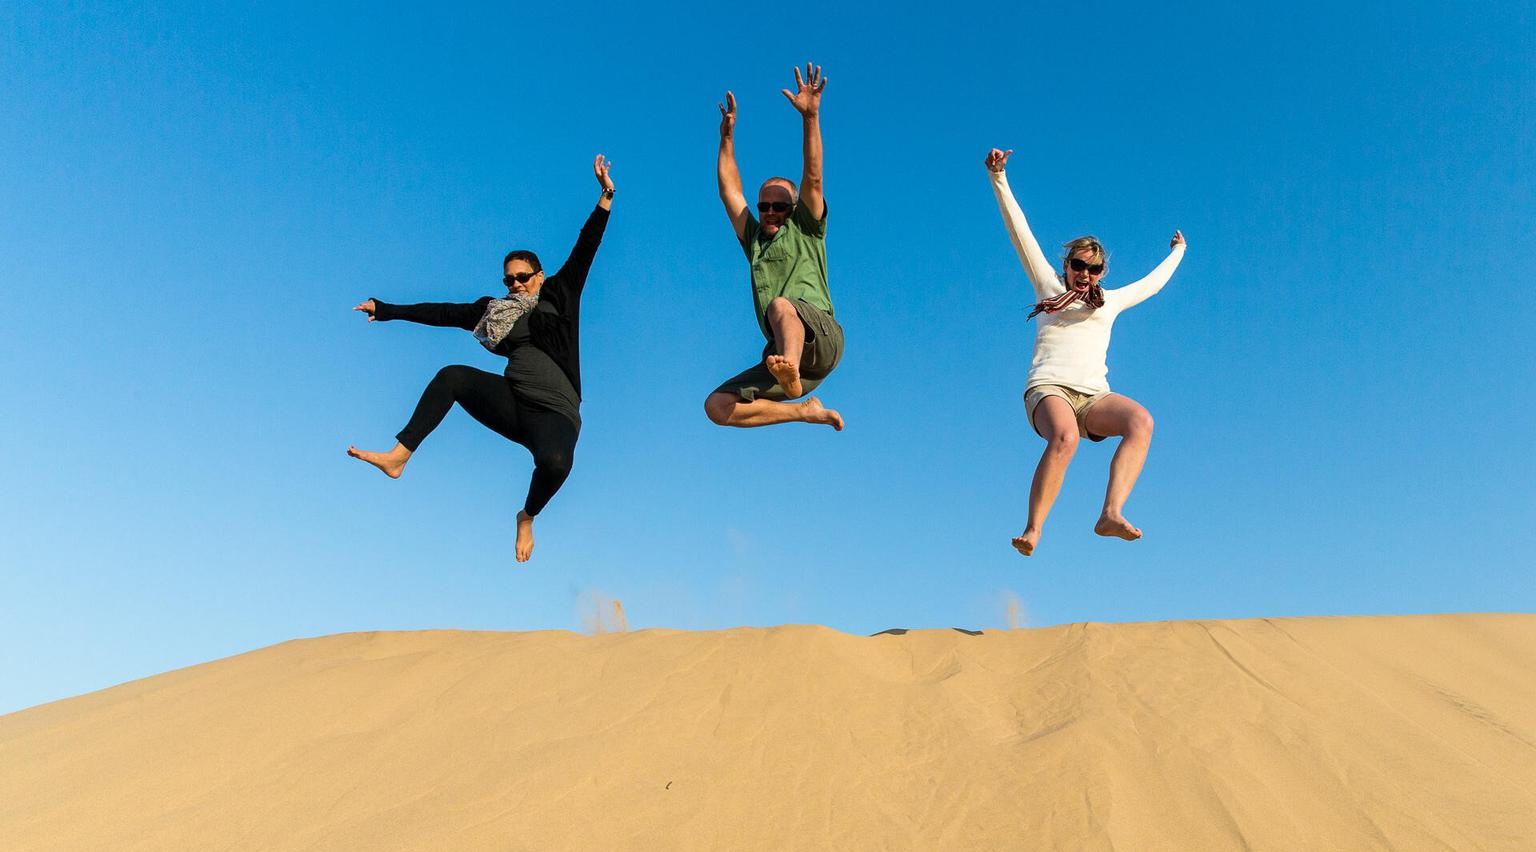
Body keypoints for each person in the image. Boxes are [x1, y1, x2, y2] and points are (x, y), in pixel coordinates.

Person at [347, 155, 615, 562]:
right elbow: (443, 312)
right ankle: (400, 455)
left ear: (539, 276)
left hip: (556, 414)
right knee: (452, 375)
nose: (515, 284)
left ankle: (526, 516)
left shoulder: (560, 293)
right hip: (513, 402)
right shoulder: (493, 311)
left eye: (522, 277)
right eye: (508, 279)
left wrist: (605, 197)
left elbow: (585, 249)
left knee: (556, 464)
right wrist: (386, 309)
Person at [985, 147, 1187, 557]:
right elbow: (1019, 232)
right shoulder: (1050, 288)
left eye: (1094, 269)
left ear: (1102, 274)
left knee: (1141, 421)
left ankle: (1110, 512)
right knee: (1065, 437)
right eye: (1079, 265)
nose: (1085, 274)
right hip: (1049, 389)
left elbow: (1152, 284)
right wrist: (999, 178)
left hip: (1094, 394)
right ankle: (1034, 529)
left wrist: (1178, 253)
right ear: (1067, 265)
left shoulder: (1109, 302)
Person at [704, 63, 845, 430]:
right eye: (763, 205)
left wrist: (811, 117)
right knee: (718, 405)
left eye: (778, 206)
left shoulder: (806, 228)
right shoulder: (754, 240)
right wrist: (727, 138)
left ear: (793, 209)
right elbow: (730, 192)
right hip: (784, 356)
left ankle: (791, 369)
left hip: (822, 337)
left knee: (781, 305)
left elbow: (813, 176)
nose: (768, 212)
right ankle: (804, 409)